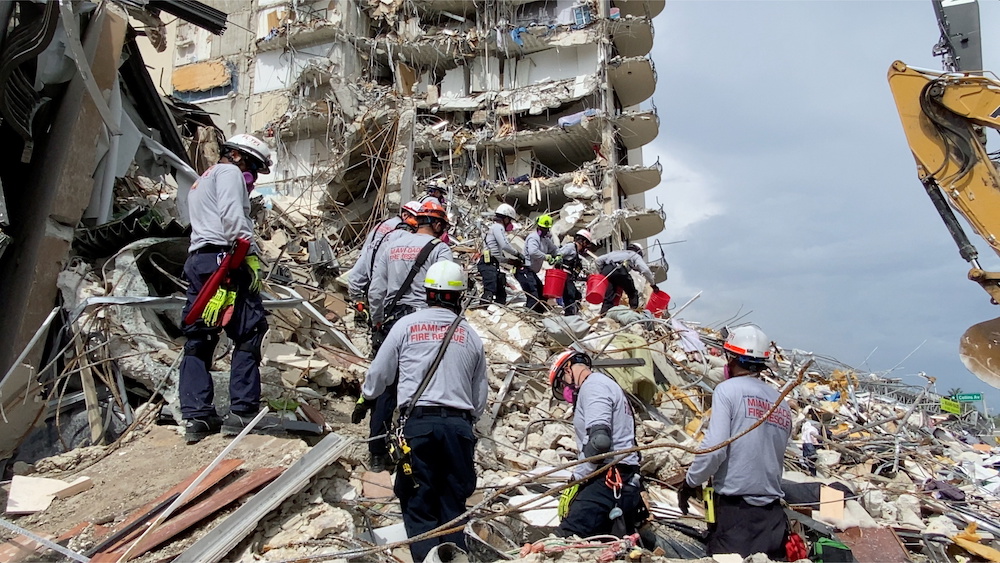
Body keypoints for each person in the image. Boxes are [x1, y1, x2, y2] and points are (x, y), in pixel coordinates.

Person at [356, 260, 488, 562]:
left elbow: (380, 374)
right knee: (453, 507)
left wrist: (366, 397)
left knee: (418, 504)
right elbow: (479, 396)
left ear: (427, 293)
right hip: (458, 428)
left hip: (418, 427)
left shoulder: (405, 326)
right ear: (459, 296)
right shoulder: (471, 336)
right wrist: (466, 423)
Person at [179, 134, 273, 443]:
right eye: (255, 170)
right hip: (226, 257)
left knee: (199, 336)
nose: (253, 179)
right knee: (248, 330)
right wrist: (250, 254)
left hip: (199, 259)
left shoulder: (201, 180)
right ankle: (242, 411)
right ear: (241, 158)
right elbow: (234, 218)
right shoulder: (231, 173)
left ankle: (197, 415)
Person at [678, 325, 792, 559]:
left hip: (736, 515)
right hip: (772, 519)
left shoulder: (727, 391)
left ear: (731, 358)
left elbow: (714, 450)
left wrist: (691, 482)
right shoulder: (781, 403)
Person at [363, 201, 453, 471]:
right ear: (436, 224)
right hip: (426, 325)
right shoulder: (441, 249)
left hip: (392, 323)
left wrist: (377, 324)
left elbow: (376, 291)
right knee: (426, 387)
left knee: (387, 389)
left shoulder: (391, 246)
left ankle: (377, 452)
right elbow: (449, 290)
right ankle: (420, 449)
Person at [549, 349, 647, 538]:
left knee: (566, 538)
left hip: (609, 479)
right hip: (625, 478)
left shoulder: (593, 387)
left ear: (568, 368)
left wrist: (577, 477)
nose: (566, 390)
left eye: (562, 383)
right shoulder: (605, 384)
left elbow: (599, 442)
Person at [348, 201, 422, 326]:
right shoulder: (405, 243)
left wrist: (358, 300)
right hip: (392, 304)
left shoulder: (380, 237)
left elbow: (356, 274)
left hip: (372, 295)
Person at [478, 203, 523, 304]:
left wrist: (509, 261)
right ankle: (483, 311)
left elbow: (496, 255)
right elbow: (505, 245)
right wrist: (518, 254)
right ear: (506, 219)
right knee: (490, 291)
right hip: (489, 264)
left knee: (501, 293)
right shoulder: (498, 227)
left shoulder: (493, 228)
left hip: (491, 263)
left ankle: (497, 311)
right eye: (510, 220)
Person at [594, 243, 656, 314]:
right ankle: (634, 312)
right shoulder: (635, 255)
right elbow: (645, 270)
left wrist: (603, 272)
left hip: (607, 270)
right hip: (620, 270)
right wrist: (653, 284)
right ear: (639, 252)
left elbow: (598, 261)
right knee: (632, 292)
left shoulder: (615, 253)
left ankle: (604, 315)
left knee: (608, 297)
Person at [516, 214, 557, 313]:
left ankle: (539, 314)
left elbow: (554, 250)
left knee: (541, 292)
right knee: (533, 294)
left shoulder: (545, 240)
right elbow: (533, 252)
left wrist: (558, 256)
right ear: (538, 227)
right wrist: (546, 257)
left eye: (546, 229)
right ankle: (529, 315)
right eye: (543, 229)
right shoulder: (533, 238)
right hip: (524, 269)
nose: (545, 231)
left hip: (532, 272)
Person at [555, 229, 594, 316]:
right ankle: (570, 315)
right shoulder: (570, 247)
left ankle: (573, 313)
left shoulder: (575, 252)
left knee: (577, 295)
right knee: (570, 295)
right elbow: (558, 254)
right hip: (564, 276)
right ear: (583, 241)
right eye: (586, 243)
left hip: (568, 277)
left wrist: (585, 277)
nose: (586, 246)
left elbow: (575, 269)